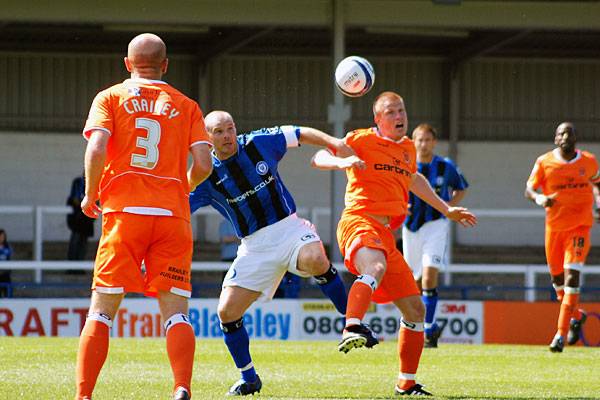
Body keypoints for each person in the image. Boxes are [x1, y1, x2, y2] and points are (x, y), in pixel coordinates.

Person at [311, 91, 476, 396]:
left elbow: (414, 180)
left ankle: (407, 383)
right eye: (391, 112)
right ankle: (351, 326)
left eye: (401, 111)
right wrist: (342, 161)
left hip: (386, 233)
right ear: (378, 119)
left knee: (415, 310)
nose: (399, 117)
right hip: (359, 220)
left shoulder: (409, 149)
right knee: (375, 265)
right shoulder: (359, 139)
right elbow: (318, 156)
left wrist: (446, 208)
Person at [76, 33, 213, 400]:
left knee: (102, 309)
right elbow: (204, 163)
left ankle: (84, 395)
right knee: (175, 311)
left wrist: (90, 194)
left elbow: (97, 146)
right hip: (172, 215)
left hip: (125, 212)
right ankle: (181, 386)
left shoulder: (110, 97)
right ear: (165, 65)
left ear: (127, 64)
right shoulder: (186, 105)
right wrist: (183, 185)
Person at [189, 110, 351, 396]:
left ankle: (353, 322)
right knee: (226, 312)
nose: (228, 136)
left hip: (288, 229)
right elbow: (177, 203)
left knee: (315, 259)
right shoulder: (205, 176)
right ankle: (249, 378)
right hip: (254, 247)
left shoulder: (258, 143)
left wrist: (334, 142)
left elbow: (299, 133)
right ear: (207, 137)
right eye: (219, 132)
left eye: (231, 128)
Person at [525, 121, 598, 353]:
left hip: (579, 228)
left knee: (572, 279)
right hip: (554, 230)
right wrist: (540, 199)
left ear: (576, 137)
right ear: (556, 139)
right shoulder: (544, 162)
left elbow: (598, 184)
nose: (564, 136)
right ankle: (578, 316)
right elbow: (529, 189)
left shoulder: (588, 161)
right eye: (560, 133)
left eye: (569, 132)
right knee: (559, 287)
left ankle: (560, 334)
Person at [402, 123, 469, 348]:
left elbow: (462, 187)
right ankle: (421, 325)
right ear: (413, 141)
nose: (423, 144)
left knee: (430, 276)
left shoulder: (445, 166)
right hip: (410, 227)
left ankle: (428, 327)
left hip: (436, 225)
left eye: (427, 140)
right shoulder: (405, 164)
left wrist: (447, 207)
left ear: (434, 142)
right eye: (419, 140)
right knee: (414, 281)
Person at [66, 171, 95, 260]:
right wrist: (82, 205)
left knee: (84, 241)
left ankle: (80, 266)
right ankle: (71, 267)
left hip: (87, 217)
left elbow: (96, 200)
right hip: (77, 215)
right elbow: (74, 198)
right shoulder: (77, 182)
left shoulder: (94, 183)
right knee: (75, 240)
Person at [0, 229, 12, 297]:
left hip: (5, 273)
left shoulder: (7, 247)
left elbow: (9, 257)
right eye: (0, 236)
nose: (1, 238)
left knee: (7, 291)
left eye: (3, 237)